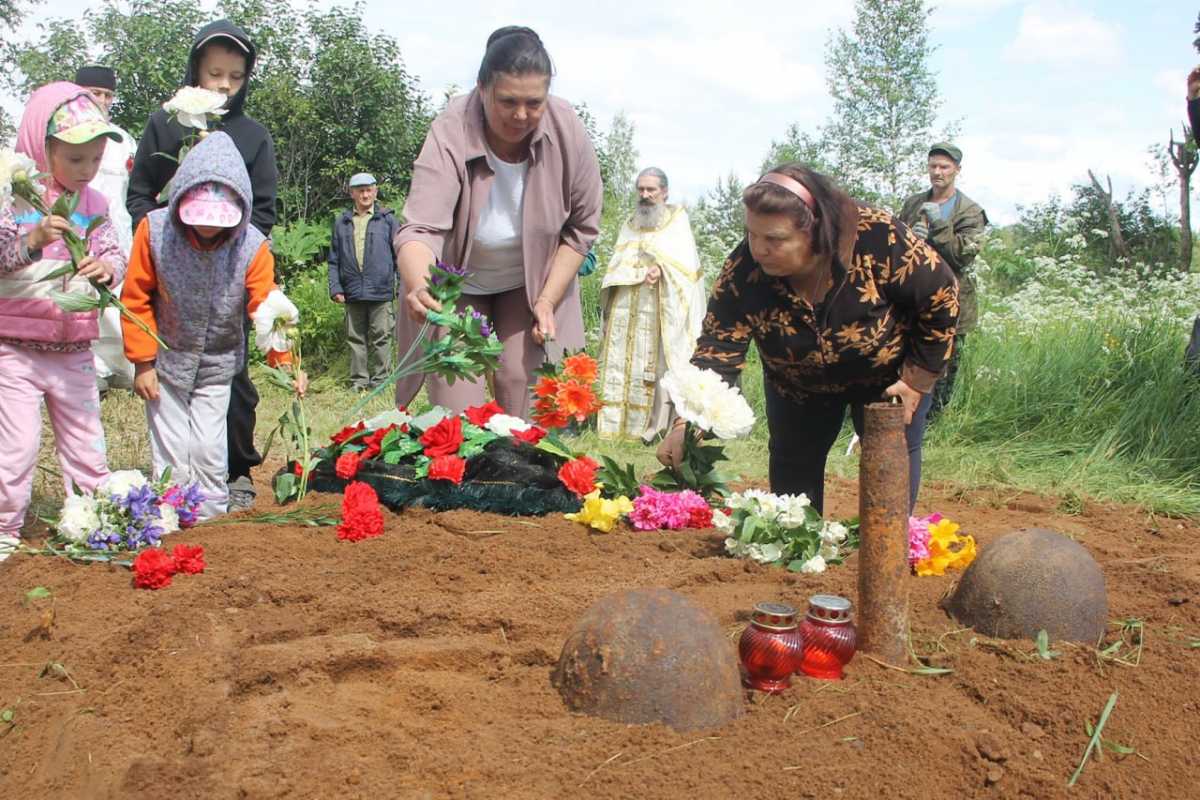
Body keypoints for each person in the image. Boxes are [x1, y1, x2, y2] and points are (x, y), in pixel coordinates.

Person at [657, 164, 959, 514]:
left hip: (888, 382)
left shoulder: (878, 237)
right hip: (796, 387)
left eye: (775, 239)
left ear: (814, 230)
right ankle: (797, 558)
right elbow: (718, 349)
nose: (758, 249)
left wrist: (915, 381)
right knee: (792, 496)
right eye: (752, 234)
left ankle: (886, 556)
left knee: (889, 477)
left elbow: (941, 296)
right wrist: (687, 424)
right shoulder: (743, 270)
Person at [393, 25, 602, 419]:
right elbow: (421, 227)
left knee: (525, 389)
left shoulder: (567, 127)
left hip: (530, 283)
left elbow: (581, 230)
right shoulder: (451, 129)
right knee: (460, 408)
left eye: (534, 102)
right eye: (507, 101)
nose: (521, 115)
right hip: (457, 286)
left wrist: (546, 301)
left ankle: (524, 477)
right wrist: (420, 285)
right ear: (482, 88)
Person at [126, 18, 279, 511]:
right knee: (172, 389)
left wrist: (231, 248)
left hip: (231, 277)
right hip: (172, 274)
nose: (224, 86)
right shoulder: (165, 123)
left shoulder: (252, 135)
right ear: (196, 70)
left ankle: (234, 473)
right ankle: (174, 491)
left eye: (235, 77)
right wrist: (166, 242)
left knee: (231, 383)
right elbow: (140, 196)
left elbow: (264, 210)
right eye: (215, 74)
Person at [120, 132, 299, 521]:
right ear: (181, 197)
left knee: (206, 447)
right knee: (172, 447)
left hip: (218, 364)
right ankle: (168, 516)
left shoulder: (251, 246)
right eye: (199, 217)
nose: (207, 229)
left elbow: (266, 306)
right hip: (166, 362)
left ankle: (210, 520)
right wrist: (143, 363)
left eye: (218, 221)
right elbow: (135, 298)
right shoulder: (154, 232)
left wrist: (287, 363)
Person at [0, 82, 127, 555]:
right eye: (75, 160)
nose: (87, 170)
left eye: (95, 159)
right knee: (17, 448)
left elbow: (114, 252)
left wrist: (107, 269)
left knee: (87, 442)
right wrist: (32, 242)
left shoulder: (94, 204)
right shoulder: (16, 201)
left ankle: (96, 518)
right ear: (42, 147)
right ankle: (5, 529)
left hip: (74, 347)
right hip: (16, 346)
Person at [597, 167, 706, 442]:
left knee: (658, 365)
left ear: (664, 192)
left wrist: (662, 269)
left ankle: (656, 427)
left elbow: (686, 269)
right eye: (641, 189)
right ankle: (619, 427)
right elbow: (617, 264)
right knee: (622, 363)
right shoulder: (630, 223)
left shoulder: (677, 220)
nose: (645, 195)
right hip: (628, 303)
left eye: (651, 190)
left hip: (661, 306)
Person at [897, 143, 987, 417]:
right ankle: (900, 412)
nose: (938, 172)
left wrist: (938, 226)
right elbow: (895, 248)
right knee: (904, 357)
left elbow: (962, 256)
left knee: (944, 365)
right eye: (933, 166)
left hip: (953, 302)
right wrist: (910, 237)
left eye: (944, 167)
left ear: (957, 170)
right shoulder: (913, 203)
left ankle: (934, 424)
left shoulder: (970, 211)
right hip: (912, 299)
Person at [74, 65, 137, 396]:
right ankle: (92, 371)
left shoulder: (123, 140)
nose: (101, 100)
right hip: (79, 231)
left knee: (117, 304)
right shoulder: (62, 136)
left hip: (118, 233)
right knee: (83, 300)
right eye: (94, 93)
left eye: (107, 94)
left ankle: (120, 369)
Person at [328, 172, 398, 391]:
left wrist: (401, 285)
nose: (365, 194)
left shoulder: (387, 220)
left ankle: (380, 381)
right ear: (352, 193)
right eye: (360, 191)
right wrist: (335, 288)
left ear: (375, 192)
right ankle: (359, 381)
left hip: (381, 290)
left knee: (381, 337)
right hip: (352, 291)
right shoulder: (342, 222)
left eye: (369, 190)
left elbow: (400, 255)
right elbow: (333, 260)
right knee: (355, 338)